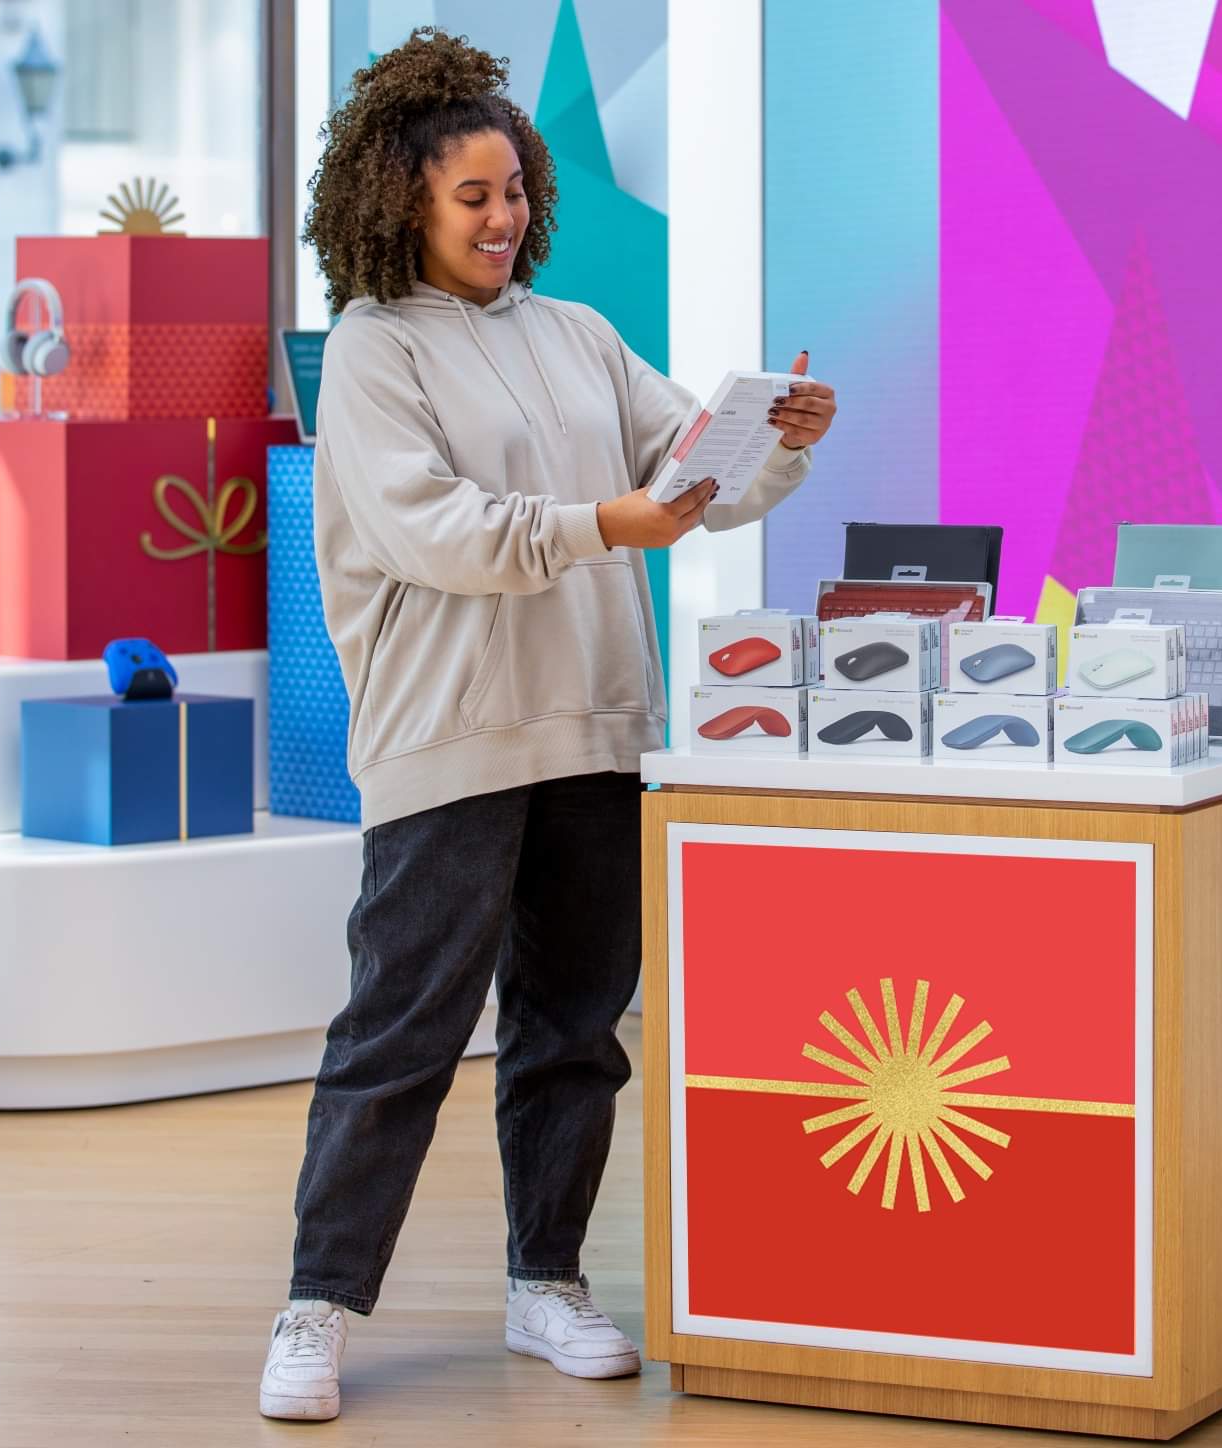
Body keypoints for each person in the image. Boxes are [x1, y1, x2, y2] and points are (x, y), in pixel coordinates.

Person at [258, 28, 837, 1422]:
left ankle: (547, 1282)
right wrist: (606, 524)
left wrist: (777, 437)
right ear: (405, 201)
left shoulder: (578, 336)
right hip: (453, 737)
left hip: (594, 731)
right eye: (476, 196)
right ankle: (317, 1306)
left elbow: (687, 469)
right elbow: (437, 530)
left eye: (516, 190)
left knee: (574, 1028)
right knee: (399, 1036)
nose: (505, 217)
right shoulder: (375, 354)